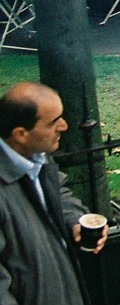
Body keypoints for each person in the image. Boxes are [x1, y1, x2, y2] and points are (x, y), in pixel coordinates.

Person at [0, 82, 106, 305]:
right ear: (20, 134)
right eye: (53, 122)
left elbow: (57, 193)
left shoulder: (37, 155)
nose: (64, 126)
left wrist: (75, 220)